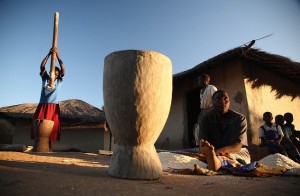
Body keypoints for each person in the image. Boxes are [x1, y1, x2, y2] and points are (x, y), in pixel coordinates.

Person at [198, 90, 250, 171]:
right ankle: (212, 161)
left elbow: (237, 146)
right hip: (213, 151)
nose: (222, 102)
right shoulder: (205, 120)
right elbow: (204, 144)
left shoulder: (239, 119)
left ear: (229, 101)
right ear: (213, 102)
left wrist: (215, 153)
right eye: (218, 99)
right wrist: (208, 152)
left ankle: (216, 164)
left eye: (225, 99)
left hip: (236, 151)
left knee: (235, 158)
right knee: (187, 155)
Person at [31, 47, 65, 150]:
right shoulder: (45, 78)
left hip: (53, 105)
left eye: (57, 73)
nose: (55, 73)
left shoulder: (58, 81)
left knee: (52, 126)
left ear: (58, 75)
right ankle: (37, 145)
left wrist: (57, 55)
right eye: (53, 71)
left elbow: (63, 68)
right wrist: (49, 54)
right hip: (43, 104)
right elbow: (42, 66)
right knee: (39, 124)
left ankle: (50, 146)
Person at [194, 73, 217, 147]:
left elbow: (216, 100)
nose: (199, 82)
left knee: (211, 128)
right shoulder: (201, 91)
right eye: (198, 80)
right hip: (203, 111)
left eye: (200, 80)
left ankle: (213, 146)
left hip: (211, 110)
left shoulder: (211, 88)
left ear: (206, 80)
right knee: (197, 128)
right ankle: (199, 146)